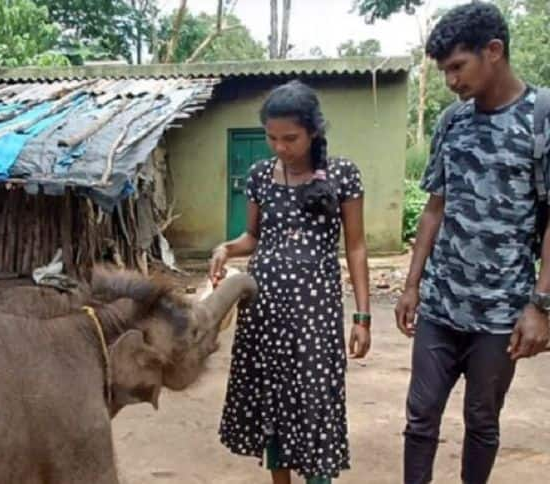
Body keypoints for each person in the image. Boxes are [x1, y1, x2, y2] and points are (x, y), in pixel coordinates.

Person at [395, 3, 550, 484]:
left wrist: (540, 305)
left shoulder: (541, 119)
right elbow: (435, 208)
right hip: (442, 305)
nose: (451, 81)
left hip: (501, 314)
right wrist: (411, 284)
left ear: (494, 51)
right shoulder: (452, 124)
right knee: (420, 417)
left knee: (482, 421)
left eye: (457, 67)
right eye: (444, 72)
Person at [210, 80, 371, 484]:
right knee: (271, 400)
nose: (280, 147)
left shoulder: (342, 174)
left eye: (291, 138)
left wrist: (362, 316)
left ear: (314, 132)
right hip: (264, 311)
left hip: (315, 313)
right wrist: (227, 249)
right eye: (272, 138)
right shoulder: (260, 175)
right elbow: (253, 237)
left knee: (315, 401)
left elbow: (356, 248)